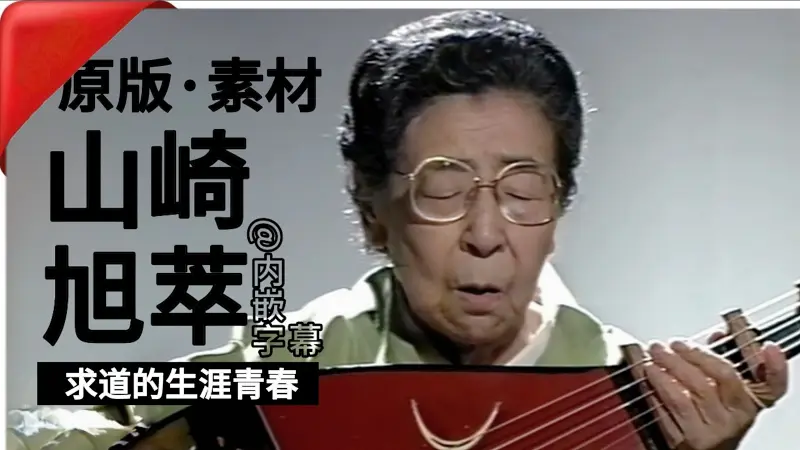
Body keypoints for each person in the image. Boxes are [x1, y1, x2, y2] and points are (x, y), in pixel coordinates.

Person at [7, 10, 790, 450]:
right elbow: (66, 421)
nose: (486, 233)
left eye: (523, 191)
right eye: (443, 188)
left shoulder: (624, 390)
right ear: (370, 208)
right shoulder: (298, 352)